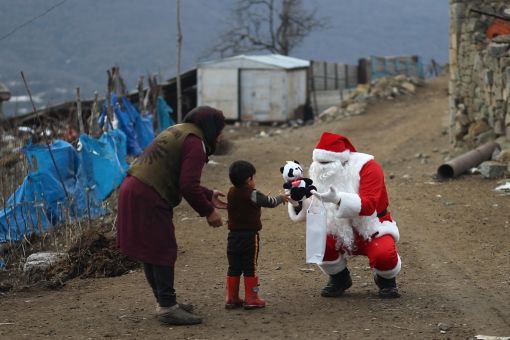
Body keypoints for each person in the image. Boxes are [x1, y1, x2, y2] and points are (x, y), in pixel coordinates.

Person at [116, 106, 227, 325]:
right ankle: (167, 307)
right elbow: (187, 185)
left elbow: (178, 176)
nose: (221, 135)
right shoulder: (196, 143)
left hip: (133, 187)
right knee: (163, 248)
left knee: (151, 249)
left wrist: (207, 194)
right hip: (148, 194)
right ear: (211, 127)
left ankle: (165, 301)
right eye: (220, 130)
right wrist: (208, 211)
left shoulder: (179, 130)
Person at [287, 132, 401, 298]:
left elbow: (368, 206)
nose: (321, 166)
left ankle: (386, 280)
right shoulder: (319, 171)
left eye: (325, 162)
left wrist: (339, 199)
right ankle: (339, 278)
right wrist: (297, 201)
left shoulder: (368, 168)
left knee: (384, 254)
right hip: (337, 226)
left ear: (341, 160)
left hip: (371, 225)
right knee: (318, 241)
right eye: (318, 161)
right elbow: (313, 207)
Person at [225, 160, 288, 309]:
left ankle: (231, 298)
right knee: (250, 266)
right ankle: (252, 297)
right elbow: (269, 202)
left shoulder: (231, 191)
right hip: (249, 237)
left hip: (233, 237)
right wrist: (281, 198)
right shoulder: (252, 194)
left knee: (233, 267)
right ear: (249, 179)